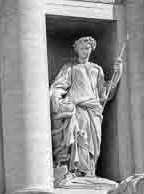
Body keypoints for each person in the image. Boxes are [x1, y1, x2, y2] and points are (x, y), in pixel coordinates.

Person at [49, 36, 122, 181]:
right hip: (77, 108)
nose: (85, 51)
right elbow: (59, 85)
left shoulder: (97, 69)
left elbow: (104, 94)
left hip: (94, 110)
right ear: (76, 50)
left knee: (93, 144)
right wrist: (56, 100)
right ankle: (76, 170)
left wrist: (117, 73)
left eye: (88, 48)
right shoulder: (70, 67)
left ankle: (89, 171)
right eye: (82, 48)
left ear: (92, 49)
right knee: (79, 138)